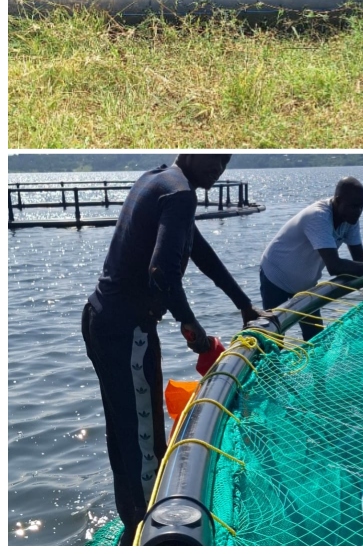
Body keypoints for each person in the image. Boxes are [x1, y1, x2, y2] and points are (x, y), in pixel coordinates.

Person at [81, 155, 265, 544]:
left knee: (125, 433)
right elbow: (160, 272)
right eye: (213, 158)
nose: (220, 168)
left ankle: (132, 520)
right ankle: (152, 533)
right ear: (192, 151)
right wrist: (191, 326)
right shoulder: (180, 194)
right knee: (144, 440)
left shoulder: (161, 179)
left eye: (226, 160)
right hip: (127, 331)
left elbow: (199, 252)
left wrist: (242, 302)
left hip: (101, 320)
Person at [258, 176, 363, 341]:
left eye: (362, 207)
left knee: (315, 339)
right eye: (354, 206)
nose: (358, 211)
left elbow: (359, 257)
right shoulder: (318, 217)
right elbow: (335, 267)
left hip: (304, 283)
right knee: (274, 339)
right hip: (276, 275)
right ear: (338, 201)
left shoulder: (351, 218)